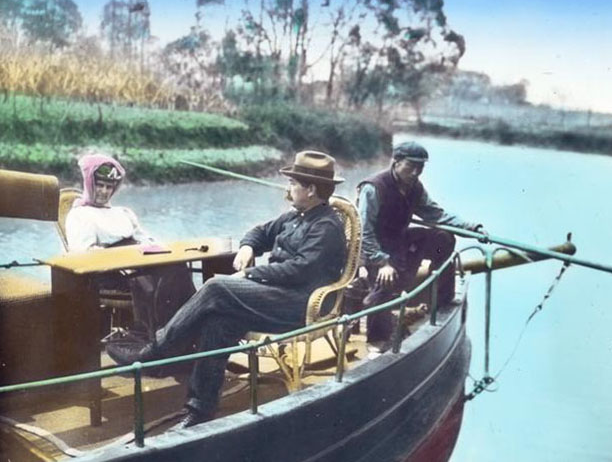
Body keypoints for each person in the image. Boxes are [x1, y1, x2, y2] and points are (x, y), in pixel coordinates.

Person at [107, 150, 347, 428]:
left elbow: (299, 271)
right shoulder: (295, 216)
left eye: (293, 183)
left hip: (301, 303)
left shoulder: (326, 226)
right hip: (278, 297)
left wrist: (250, 273)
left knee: (217, 287)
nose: (288, 188)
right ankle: (200, 408)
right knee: (219, 321)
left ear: (312, 189)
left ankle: (154, 353)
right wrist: (247, 248)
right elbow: (259, 233)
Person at [357, 141, 485, 348]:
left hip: (399, 238)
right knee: (387, 282)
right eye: (411, 166)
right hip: (376, 246)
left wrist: (471, 227)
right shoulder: (373, 188)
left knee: (444, 238)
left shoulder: (414, 187)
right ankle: (378, 337)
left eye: (421, 168)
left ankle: (443, 300)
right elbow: (364, 231)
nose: (416, 172)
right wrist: (382, 262)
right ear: (396, 162)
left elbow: (436, 214)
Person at [65, 153, 196, 338]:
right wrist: (124, 259)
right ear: (89, 185)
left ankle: (188, 331)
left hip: (138, 264)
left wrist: (162, 250)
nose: (103, 191)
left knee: (177, 267)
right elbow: (83, 255)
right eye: (99, 186)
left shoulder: (122, 213)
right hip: (111, 274)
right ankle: (162, 338)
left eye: (108, 187)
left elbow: (146, 238)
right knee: (168, 276)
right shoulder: (80, 216)